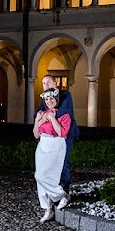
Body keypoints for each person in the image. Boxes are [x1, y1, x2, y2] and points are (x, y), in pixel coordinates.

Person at [36, 75, 79, 192]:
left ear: (55, 84)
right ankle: (53, 188)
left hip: (66, 133)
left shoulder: (65, 95)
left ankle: (64, 189)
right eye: (44, 83)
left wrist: (48, 115)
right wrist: (42, 116)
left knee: (63, 161)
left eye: (48, 82)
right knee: (51, 163)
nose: (46, 85)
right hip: (51, 137)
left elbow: (64, 110)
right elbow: (37, 114)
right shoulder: (45, 98)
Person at [33, 89, 70, 222]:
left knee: (44, 176)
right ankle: (48, 209)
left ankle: (62, 196)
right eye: (47, 99)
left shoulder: (64, 115)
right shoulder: (42, 113)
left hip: (56, 145)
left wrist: (53, 119)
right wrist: (38, 121)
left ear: (57, 99)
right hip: (42, 144)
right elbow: (36, 134)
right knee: (40, 178)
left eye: (52, 98)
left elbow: (61, 133)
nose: (49, 101)